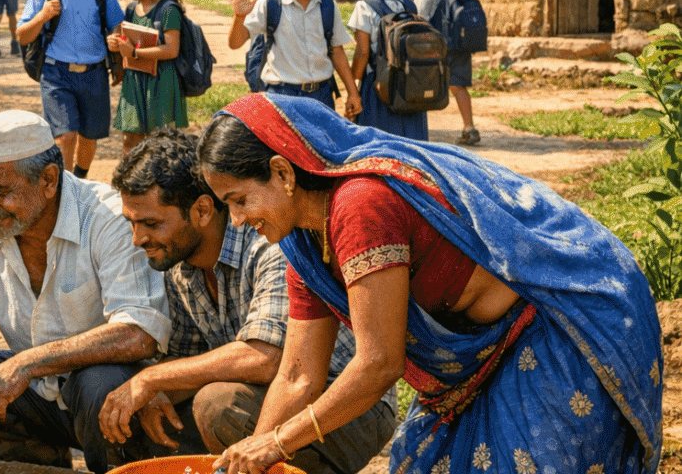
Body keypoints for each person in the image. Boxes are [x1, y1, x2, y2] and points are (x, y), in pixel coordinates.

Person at [199, 93, 663, 474]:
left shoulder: (360, 207)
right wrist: (250, 457)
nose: (237, 221)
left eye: (240, 201)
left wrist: (275, 444)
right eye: (228, 206)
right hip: (472, 369)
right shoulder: (305, 251)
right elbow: (298, 376)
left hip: (551, 329)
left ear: (282, 173)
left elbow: (379, 364)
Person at [101, 131, 395, 474]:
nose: (138, 239)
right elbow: (189, 360)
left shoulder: (271, 242)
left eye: (150, 224)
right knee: (144, 412)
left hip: (346, 403)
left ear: (202, 210)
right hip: (273, 396)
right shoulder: (178, 263)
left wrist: (151, 379)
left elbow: (265, 360)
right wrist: (154, 394)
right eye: (132, 224)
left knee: (218, 405)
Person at [0, 110, 172, 474]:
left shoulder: (107, 217)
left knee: (101, 383)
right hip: (35, 392)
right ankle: (39, 461)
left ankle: (115, 467)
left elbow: (139, 332)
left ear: (49, 180)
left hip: (102, 397)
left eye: (0, 192)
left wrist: (25, 365)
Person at [17, 0, 124, 178]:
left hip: (94, 72)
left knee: (89, 136)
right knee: (65, 136)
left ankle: (79, 179)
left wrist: (116, 39)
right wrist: (42, 16)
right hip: (56, 74)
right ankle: (65, 189)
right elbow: (22, 36)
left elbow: (117, 25)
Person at [229, 0, 360, 119]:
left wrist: (352, 93)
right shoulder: (269, 4)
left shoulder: (327, 5)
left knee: (319, 147)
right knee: (282, 148)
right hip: (281, 95)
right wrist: (239, 16)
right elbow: (235, 43)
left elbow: (336, 51)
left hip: (321, 95)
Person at [107, 0, 187, 155]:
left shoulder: (168, 11)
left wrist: (134, 52)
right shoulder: (132, 9)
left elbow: (171, 49)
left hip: (160, 82)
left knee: (160, 143)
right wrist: (115, 44)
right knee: (130, 140)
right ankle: (131, 185)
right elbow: (127, 39)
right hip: (134, 82)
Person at [347, 0, 425, 140]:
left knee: (379, 144)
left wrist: (353, 85)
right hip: (409, 85)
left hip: (378, 87)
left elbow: (362, 52)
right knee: (409, 142)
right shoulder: (409, 4)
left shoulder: (365, 6)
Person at [415, 0, 478, 145]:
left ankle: (418, 129)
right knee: (458, 85)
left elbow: (421, 16)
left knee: (420, 84)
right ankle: (469, 127)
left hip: (437, 44)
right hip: (459, 42)